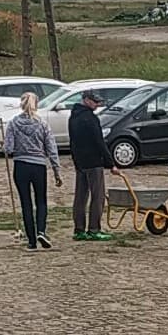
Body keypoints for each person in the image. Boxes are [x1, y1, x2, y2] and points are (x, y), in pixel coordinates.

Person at [3, 91, 62, 249]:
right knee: (41, 200)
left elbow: (8, 148)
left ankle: (31, 241)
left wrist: (6, 146)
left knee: (26, 203)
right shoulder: (42, 124)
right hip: (38, 166)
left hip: (21, 166)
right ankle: (41, 231)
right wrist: (56, 171)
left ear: (21, 104)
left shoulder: (13, 123)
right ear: (36, 104)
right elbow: (51, 148)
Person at [68, 90, 115, 242]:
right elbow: (99, 142)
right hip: (94, 162)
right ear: (86, 100)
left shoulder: (73, 117)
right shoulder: (91, 118)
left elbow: (72, 141)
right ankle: (94, 229)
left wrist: (75, 160)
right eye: (95, 102)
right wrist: (111, 163)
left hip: (80, 162)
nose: (97, 104)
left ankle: (79, 229)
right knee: (98, 196)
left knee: (80, 197)